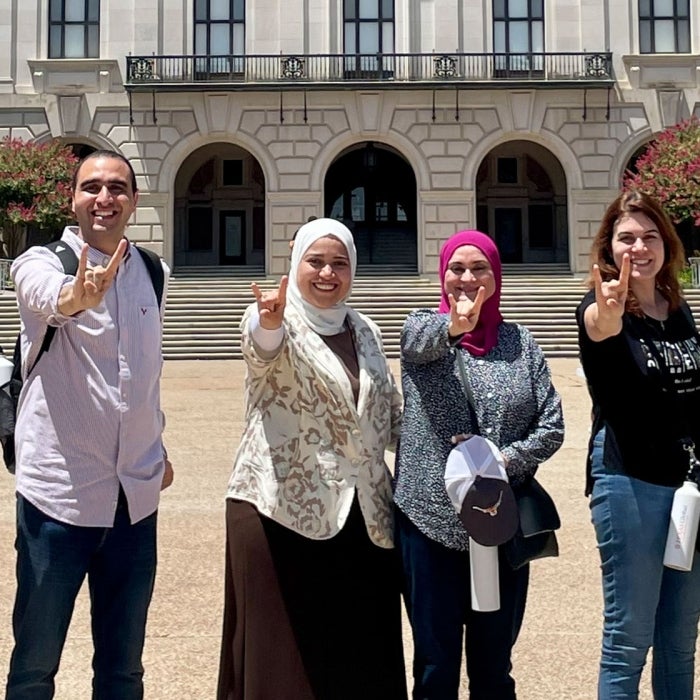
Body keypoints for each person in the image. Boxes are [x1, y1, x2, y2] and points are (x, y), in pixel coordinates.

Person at [5, 150, 172, 700]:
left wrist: (157, 445)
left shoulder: (152, 272)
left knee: (123, 670)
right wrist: (79, 296)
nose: (105, 198)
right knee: (34, 667)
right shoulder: (40, 261)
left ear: (134, 200)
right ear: (73, 198)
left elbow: (143, 376)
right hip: (59, 497)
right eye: (92, 187)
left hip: (134, 501)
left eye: (118, 188)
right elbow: (44, 297)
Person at [217, 217, 407, 700]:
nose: (327, 273)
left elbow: (385, 415)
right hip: (281, 510)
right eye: (315, 262)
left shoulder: (364, 329)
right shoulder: (272, 317)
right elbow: (262, 353)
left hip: (363, 520)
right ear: (295, 264)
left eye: (339, 263)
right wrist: (270, 323)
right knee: (285, 661)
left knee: (357, 658)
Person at [394, 229, 564, 700]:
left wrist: (498, 462)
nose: (467, 278)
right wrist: (456, 325)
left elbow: (551, 424)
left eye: (479, 268)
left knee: (494, 665)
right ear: (442, 275)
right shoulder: (423, 330)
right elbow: (416, 345)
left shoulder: (519, 342)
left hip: (498, 519)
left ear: (496, 275)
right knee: (435, 663)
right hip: (430, 522)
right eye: (456, 269)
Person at [576, 190, 700, 699]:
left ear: (666, 245)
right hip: (630, 482)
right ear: (609, 249)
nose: (639, 247)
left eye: (650, 236)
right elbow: (599, 327)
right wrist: (610, 311)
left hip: (686, 488)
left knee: (679, 640)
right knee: (628, 639)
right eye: (626, 238)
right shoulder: (601, 306)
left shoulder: (678, 309)